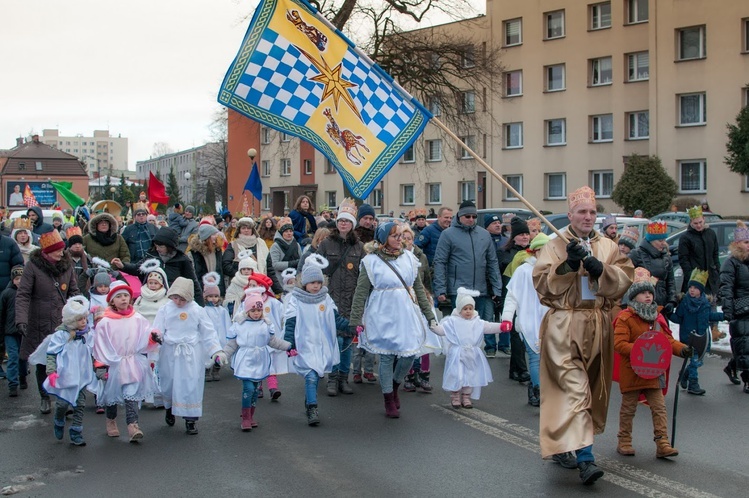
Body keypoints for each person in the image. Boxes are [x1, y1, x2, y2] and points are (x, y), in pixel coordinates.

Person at [533, 186, 633, 485]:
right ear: (570, 215)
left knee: (591, 392)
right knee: (575, 391)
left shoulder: (609, 246)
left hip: (598, 324)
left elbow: (623, 280)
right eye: (582, 212)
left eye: (592, 212)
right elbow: (543, 285)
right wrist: (569, 264)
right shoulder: (554, 244)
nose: (588, 217)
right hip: (565, 324)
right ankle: (586, 459)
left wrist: (600, 269)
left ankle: (569, 446)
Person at [349, 222, 437, 418]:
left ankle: (395, 385)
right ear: (383, 239)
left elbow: (419, 290)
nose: (400, 239)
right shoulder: (371, 261)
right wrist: (356, 319)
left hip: (405, 313)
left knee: (408, 354)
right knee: (387, 356)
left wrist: (430, 316)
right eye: (394, 236)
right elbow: (361, 291)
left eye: (401, 235)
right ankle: (388, 397)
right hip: (382, 313)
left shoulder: (409, 259)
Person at [613, 267, 690, 458]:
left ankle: (662, 443)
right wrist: (640, 350)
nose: (647, 296)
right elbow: (620, 344)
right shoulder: (625, 318)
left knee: (659, 407)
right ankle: (624, 440)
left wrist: (682, 349)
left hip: (653, 371)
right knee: (628, 409)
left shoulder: (657, 316)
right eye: (643, 293)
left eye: (650, 293)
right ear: (633, 297)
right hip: (632, 370)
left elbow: (667, 341)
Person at [15, 230, 80, 414]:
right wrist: (21, 319)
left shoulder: (66, 265)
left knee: (63, 362)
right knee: (43, 362)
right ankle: (44, 396)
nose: (61, 253)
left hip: (62, 321)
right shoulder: (33, 267)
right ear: (46, 252)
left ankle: (63, 399)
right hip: (38, 320)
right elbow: (23, 295)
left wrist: (79, 310)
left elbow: (74, 291)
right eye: (57, 251)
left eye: (61, 250)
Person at [152, 277, 227, 435]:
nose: (178, 302)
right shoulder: (165, 309)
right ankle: (170, 408)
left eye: (182, 299)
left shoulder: (197, 310)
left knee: (190, 384)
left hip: (190, 353)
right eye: (175, 298)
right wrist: (156, 337)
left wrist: (216, 351)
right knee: (169, 382)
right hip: (170, 351)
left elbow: (208, 332)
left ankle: (191, 419)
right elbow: (157, 328)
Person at [284, 257, 349, 425]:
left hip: (321, 345)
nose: (316, 286)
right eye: (312, 282)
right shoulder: (296, 299)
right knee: (311, 376)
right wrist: (289, 344)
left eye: (318, 282)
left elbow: (336, 319)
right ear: (304, 283)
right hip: (305, 344)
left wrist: (351, 327)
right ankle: (312, 408)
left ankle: (309, 401)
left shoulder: (325, 298)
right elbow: (290, 324)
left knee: (315, 374)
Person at [93, 281, 158, 442]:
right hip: (114, 364)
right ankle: (111, 420)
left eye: (126, 296)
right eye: (119, 296)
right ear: (111, 301)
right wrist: (101, 366)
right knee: (112, 396)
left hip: (132, 362)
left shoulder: (137, 318)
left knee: (132, 394)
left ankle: (132, 425)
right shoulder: (105, 322)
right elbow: (100, 346)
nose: (123, 299)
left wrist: (153, 337)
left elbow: (145, 334)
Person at [315, 198, 365, 395]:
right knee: (334, 340)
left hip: (352, 300)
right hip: (332, 299)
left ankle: (344, 378)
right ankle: (332, 378)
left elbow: (363, 275)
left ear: (352, 224)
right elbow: (316, 269)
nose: (344, 224)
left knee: (347, 342)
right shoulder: (327, 244)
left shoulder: (359, 247)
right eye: (341, 220)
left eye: (347, 221)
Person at [224, 288, 291, 431]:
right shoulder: (239, 325)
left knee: (255, 390)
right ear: (247, 310)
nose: (256, 313)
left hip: (260, 359)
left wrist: (288, 347)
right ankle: (246, 417)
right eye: (253, 310)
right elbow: (232, 344)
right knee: (248, 387)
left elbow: (273, 341)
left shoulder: (265, 325)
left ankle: (251, 415)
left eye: (259, 311)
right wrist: (223, 355)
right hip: (245, 359)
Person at [433, 200, 502, 333]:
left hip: (479, 289)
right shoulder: (448, 234)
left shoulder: (484, 234)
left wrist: (496, 288)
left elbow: (492, 262)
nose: (471, 219)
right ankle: (458, 352)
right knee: (460, 326)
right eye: (467, 216)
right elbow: (440, 262)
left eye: (474, 216)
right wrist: (440, 289)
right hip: (458, 290)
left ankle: (475, 352)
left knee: (477, 326)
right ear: (460, 216)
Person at [501, 233, 551, 407]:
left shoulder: (554, 270)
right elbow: (512, 296)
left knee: (550, 359)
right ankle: (538, 391)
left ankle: (543, 389)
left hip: (550, 319)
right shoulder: (523, 271)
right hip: (529, 320)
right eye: (543, 250)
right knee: (535, 357)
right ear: (535, 251)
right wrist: (507, 318)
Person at [430, 287, 500, 409]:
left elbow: (489, 327)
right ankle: (455, 396)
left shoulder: (477, 322)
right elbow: (442, 330)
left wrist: (502, 327)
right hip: (457, 354)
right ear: (459, 309)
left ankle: (466, 397)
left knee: (470, 375)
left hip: (472, 354)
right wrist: (434, 327)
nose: (468, 311)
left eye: (470, 308)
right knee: (457, 374)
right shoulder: (452, 321)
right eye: (465, 309)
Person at [43, 295, 96, 446]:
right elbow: (51, 353)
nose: (84, 322)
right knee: (62, 404)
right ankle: (59, 420)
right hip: (65, 376)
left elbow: (93, 350)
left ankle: (76, 431)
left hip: (81, 376)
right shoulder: (61, 335)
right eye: (80, 319)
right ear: (72, 320)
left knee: (80, 404)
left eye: (85, 318)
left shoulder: (86, 334)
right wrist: (51, 371)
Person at [112, 226, 203, 306]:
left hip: (173, 300)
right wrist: (123, 266)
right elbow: (138, 269)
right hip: (152, 299)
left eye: (161, 246)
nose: (157, 249)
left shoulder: (182, 260)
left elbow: (193, 283)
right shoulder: (151, 256)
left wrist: (200, 306)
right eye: (156, 246)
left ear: (170, 246)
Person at [669, 269, 724, 395]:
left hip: (702, 338)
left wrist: (724, 316)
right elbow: (678, 318)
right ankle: (693, 384)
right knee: (694, 361)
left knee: (699, 361)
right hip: (689, 337)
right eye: (690, 287)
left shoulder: (705, 303)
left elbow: (710, 316)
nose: (692, 290)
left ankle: (684, 374)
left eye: (695, 287)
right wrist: (668, 314)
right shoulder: (684, 303)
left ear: (701, 289)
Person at [678, 205, 723, 340]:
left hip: (710, 275)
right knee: (695, 304)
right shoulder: (686, 237)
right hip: (694, 277)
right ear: (691, 223)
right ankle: (696, 332)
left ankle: (714, 329)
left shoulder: (711, 234)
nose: (698, 225)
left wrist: (717, 269)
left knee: (712, 302)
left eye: (700, 222)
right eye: (695, 223)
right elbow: (683, 259)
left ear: (704, 220)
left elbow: (715, 253)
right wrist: (691, 275)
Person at [401, 223, 436, 393]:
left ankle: (424, 374)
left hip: (422, 299)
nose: (407, 241)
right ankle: (409, 374)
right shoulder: (398, 258)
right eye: (404, 238)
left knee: (425, 338)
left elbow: (426, 278)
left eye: (410, 238)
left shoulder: (421, 257)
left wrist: (429, 296)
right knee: (410, 340)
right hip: (406, 301)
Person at [499, 217, 531, 382]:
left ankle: (514, 370)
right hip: (511, 297)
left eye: (527, 234)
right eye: (521, 234)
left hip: (528, 299)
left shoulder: (533, 252)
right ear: (514, 237)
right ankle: (522, 369)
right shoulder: (506, 252)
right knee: (516, 335)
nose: (525, 237)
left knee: (522, 335)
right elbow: (500, 275)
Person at [719, 220, 749, 393]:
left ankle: (732, 366)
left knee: (744, 346)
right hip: (741, 309)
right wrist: (728, 309)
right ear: (738, 244)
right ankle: (748, 379)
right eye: (746, 242)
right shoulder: (731, 263)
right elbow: (726, 288)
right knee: (744, 344)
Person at [222, 217, 280, 294]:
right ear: (239, 230)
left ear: (252, 230)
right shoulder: (233, 245)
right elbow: (226, 265)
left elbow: (269, 268)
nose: (246, 230)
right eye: (243, 228)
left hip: (260, 285)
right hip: (240, 287)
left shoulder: (261, 243)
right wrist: (242, 276)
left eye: (249, 228)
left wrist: (278, 290)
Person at [629, 221, 676, 314]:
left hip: (662, 306)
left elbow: (670, 281)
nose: (663, 243)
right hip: (641, 307)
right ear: (651, 241)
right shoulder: (636, 254)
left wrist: (672, 300)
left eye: (664, 240)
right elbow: (627, 279)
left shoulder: (666, 257)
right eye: (660, 241)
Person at [481, 213, 511, 356]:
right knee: (488, 317)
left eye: (499, 222)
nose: (498, 225)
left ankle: (505, 344)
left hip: (505, 288)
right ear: (486, 227)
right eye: (494, 223)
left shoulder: (507, 242)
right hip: (487, 287)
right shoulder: (483, 242)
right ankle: (490, 346)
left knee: (505, 316)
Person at [1, 266, 27, 397]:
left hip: (24, 331)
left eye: (22, 278)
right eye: (17, 278)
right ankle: (12, 384)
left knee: (23, 357)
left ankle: (22, 376)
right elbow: (2, 314)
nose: (19, 281)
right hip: (10, 331)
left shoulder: (28, 293)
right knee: (13, 357)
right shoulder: (6, 294)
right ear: (12, 279)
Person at [202, 273, 232, 382]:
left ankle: (216, 369)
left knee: (220, 352)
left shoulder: (222, 310)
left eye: (215, 296)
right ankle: (207, 370)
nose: (213, 299)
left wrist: (229, 335)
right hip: (209, 336)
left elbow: (227, 323)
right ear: (205, 297)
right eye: (210, 296)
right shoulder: (203, 310)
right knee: (207, 353)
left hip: (221, 336)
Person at [188, 224, 225, 297]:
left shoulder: (218, 251)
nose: (216, 237)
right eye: (213, 235)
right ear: (206, 237)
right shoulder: (194, 253)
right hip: (201, 290)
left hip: (217, 289)